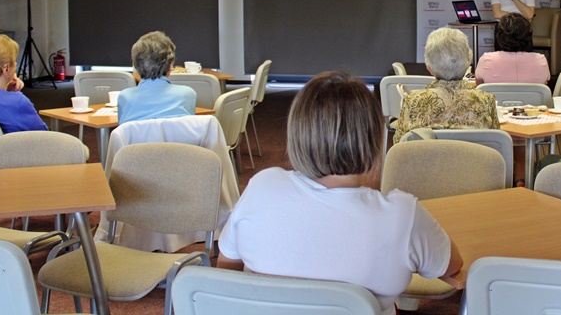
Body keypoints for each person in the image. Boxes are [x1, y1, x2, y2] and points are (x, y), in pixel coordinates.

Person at [217, 71, 462, 315]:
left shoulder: (261, 187)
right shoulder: (403, 216)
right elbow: (452, 265)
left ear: (297, 134)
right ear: (373, 141)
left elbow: (226, 272)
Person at [393, 27, 498, 143]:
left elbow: (398, 147)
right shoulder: (486, 101)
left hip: (426, 161)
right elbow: (496, 145)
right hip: (473, 161)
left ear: (429, 68)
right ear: (468, 63)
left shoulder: (412, 101)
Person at [117, 31, 196, 124]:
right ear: (170, 66)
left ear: (136, 66)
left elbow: (123, 132)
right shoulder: (187, 94)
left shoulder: (125, 97)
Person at [475, 13, 550, 84]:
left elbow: (480, 90)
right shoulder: (541, 60)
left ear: (499, 36)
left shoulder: (486, 59)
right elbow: (543, 90)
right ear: (528, 36)